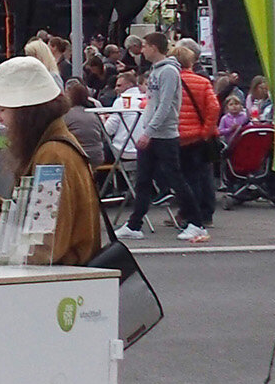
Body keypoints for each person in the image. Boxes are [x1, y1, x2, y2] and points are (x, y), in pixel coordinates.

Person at [0, 57, 100, 265]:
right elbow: (34, 214)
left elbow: (39, 244)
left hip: (61, 280)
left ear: (27, 113)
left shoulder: (53, 155)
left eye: (4, 110)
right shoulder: (53, 147)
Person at [117, 33, 208, 243]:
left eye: (146, 46)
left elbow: (166, 105)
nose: (143, 50)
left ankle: (196, 222)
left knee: (175, 178)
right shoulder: (157, 71)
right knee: (143, 179)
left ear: (155, 47)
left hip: (164, 135)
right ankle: (134, 224)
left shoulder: (168, 72)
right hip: (154, 132)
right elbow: (154, 102)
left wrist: (149, 131)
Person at [175, 45, 221, 233]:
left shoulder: (173, 81)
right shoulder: (202, 82)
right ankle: (206, 213)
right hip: (200, 136)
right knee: (203, 175)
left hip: (180, 135)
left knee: (185, 177)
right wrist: (205, 130)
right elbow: (214, 107)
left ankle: (189, 214)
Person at [62, 79, 107, 164]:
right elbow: (104, 136)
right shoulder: (94, 114)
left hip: (76, 156)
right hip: (97, 157)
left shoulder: (66, 115)